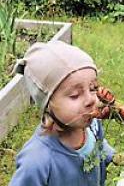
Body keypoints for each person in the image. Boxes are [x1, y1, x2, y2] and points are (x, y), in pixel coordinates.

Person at [9, 40, 115, 186]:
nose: (91, 100)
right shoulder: (36, 161)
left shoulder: (92, 126)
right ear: (48, 105)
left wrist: (113, 157)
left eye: (93, 88)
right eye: (75, 95)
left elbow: (99, 146)